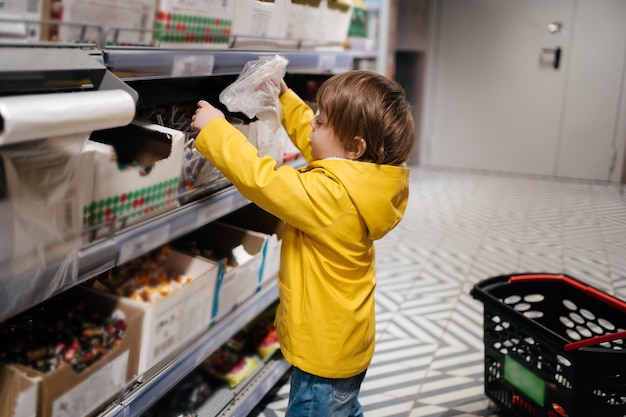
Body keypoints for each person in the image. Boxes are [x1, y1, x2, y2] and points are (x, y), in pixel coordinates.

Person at [190, 69, 416, 417]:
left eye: (322, 122)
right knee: (343, 408)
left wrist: (216, 129)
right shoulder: (364, 182)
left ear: (355, 147)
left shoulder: (331, 197)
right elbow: (319, 142)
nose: (312, 124)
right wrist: (285, 97)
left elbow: (262, 180)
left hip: (321, 355)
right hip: (345, 342)